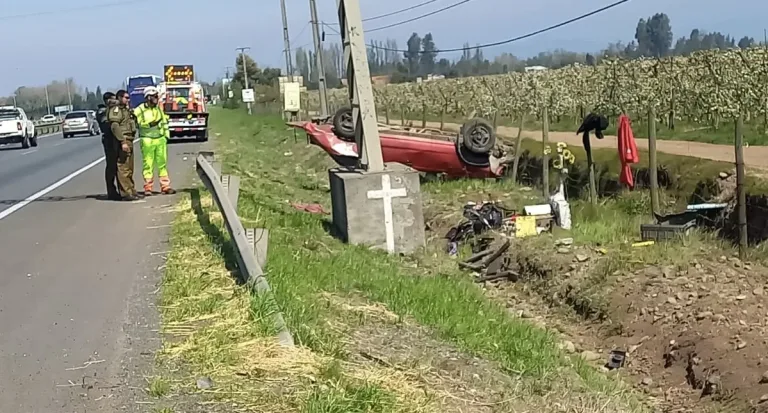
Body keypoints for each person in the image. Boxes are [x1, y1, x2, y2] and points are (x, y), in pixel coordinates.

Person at [134, 86, 175, 196]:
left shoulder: (158, 109)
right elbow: (135, 122)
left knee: (162, 164)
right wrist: (149, 124)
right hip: (147, 139)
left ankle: (165, 186)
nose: (157, 98)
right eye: (154, 96)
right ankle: (148, 188)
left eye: (157, 96)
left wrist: (166, 136)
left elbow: (165, 123)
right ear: (148, 97)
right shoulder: (140, 110)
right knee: (148, 164)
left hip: (160, 139)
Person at [108, 89, 140, 201]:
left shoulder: (126, 110)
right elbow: (115, 126)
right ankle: (125, 193)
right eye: (126, 97)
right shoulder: (116, 110)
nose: (128, 100)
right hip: (123, 140)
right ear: (120, 98)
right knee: (123, 167)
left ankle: (131, 190)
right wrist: (122, 142)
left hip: (129, 140)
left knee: (130, 167)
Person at [96, 92, 120, 200]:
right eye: (113, 100)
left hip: (115, 139)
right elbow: (107, 124)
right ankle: (111, 191)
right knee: (111, 166)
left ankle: (121, 190)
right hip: (109, 140)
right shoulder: (103, 111)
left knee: (119, 166)